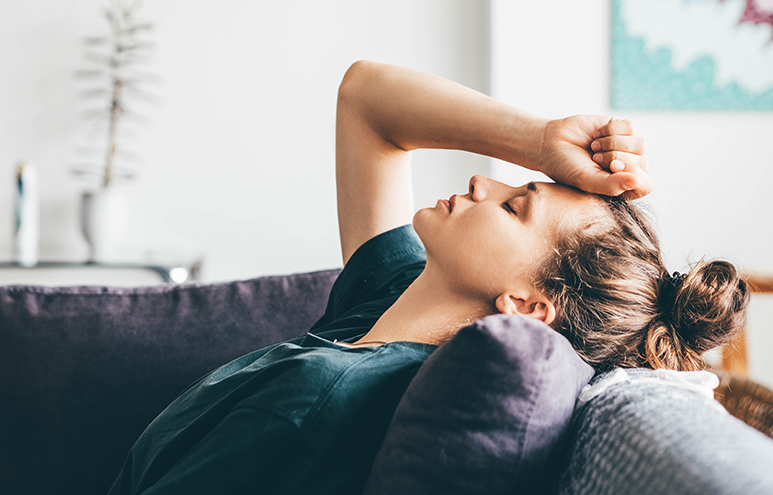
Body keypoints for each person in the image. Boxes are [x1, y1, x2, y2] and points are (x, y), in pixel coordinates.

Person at [108, 61, 747, 494]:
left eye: (514, 204)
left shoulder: (321, 398)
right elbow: (366, 97)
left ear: (527, 305)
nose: (482, 180)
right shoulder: (388, 302)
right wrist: (541, 140)